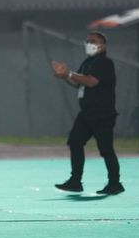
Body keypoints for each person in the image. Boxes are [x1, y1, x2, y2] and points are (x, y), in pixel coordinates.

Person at [51, 32, 125, 195]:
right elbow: (78, 83)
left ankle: (115, 183)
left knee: (106, 149)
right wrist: (65, 76)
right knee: (75, 142)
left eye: (93, 41)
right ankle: (75, 181)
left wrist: (69, 73)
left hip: (102, 114)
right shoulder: (88, 62)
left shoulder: (105, 63)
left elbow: (91, 82)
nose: (89, 43)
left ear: (103, 45)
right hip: (87, 113)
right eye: (88, 41)